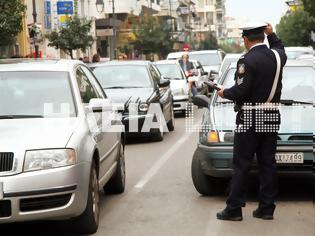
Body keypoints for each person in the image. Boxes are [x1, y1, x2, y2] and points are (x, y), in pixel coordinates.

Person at [216, 23, 287, 221]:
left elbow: (241, 91)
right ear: (263, 37)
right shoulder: (277, 56)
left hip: (250, 117)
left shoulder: (246, 60)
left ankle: (234, 209)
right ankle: (266, 208)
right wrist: (272, 34)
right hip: (272, 116)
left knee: (241, 164)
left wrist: (224, 92)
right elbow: (280, 48)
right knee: (268, 163)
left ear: (246, 40)